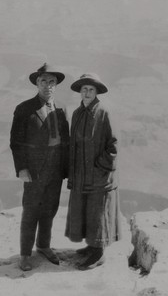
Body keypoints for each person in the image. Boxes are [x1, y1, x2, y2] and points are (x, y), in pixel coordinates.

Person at [10, 63, 70, 271]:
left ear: (56, 85)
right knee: (31, 211)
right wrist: (22, 169)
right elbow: (16, 143)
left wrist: (67, 171)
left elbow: (66, 141)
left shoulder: (62, 109)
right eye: (43, 81)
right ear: (37, 83)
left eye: (51, 81)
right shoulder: (25, 109)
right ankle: (25, 254)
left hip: (56, 169)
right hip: (34, 170)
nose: (47, 85)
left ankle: (43, 245)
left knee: (50, 209)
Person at [65, 73, 121, 270]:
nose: (87, 92)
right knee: (86, 210)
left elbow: (113, 146)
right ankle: (91, 246)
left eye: (91, 89)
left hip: (99, 175)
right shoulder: (77, 113)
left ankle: (98, 253)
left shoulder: (104, 113)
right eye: (84, 89)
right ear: (80, 92)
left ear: (96, 92)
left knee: (98, 212)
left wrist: (100, 166)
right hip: (81, 174)